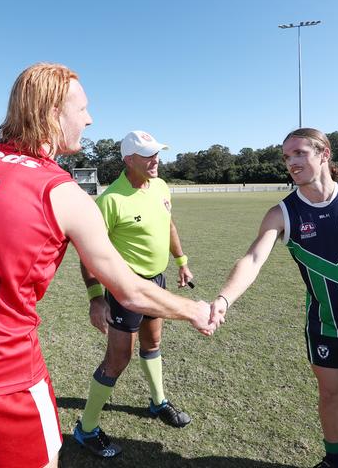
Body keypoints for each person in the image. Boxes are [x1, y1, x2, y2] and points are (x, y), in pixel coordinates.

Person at [0, 63, 220, 468]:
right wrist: (193, 309)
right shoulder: (61, 191)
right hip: (3, 384)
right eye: (83, 108)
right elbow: (129, 290)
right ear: (54, 111)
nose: (89, 119)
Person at [211, 128, 338, 468]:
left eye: (299, 153)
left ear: (324, 154)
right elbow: (252, 260)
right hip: (325, 323)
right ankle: (335, 462)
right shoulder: (283, 213)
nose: (291, 162)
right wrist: (223, 300)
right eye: (286, 157)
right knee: (330, 395)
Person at [74, 130, 196, 458]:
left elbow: (168, 225)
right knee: (118, 360)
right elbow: (88, 253)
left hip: (156, 283)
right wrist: (96, 298)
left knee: (153, 344)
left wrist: (181, 262)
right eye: (148, 155)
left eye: (157, 153)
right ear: (129, 160)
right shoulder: (110, 200)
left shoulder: (160, 186)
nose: (156, 160)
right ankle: (86, 429)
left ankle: (158, 403)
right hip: (125, 288)